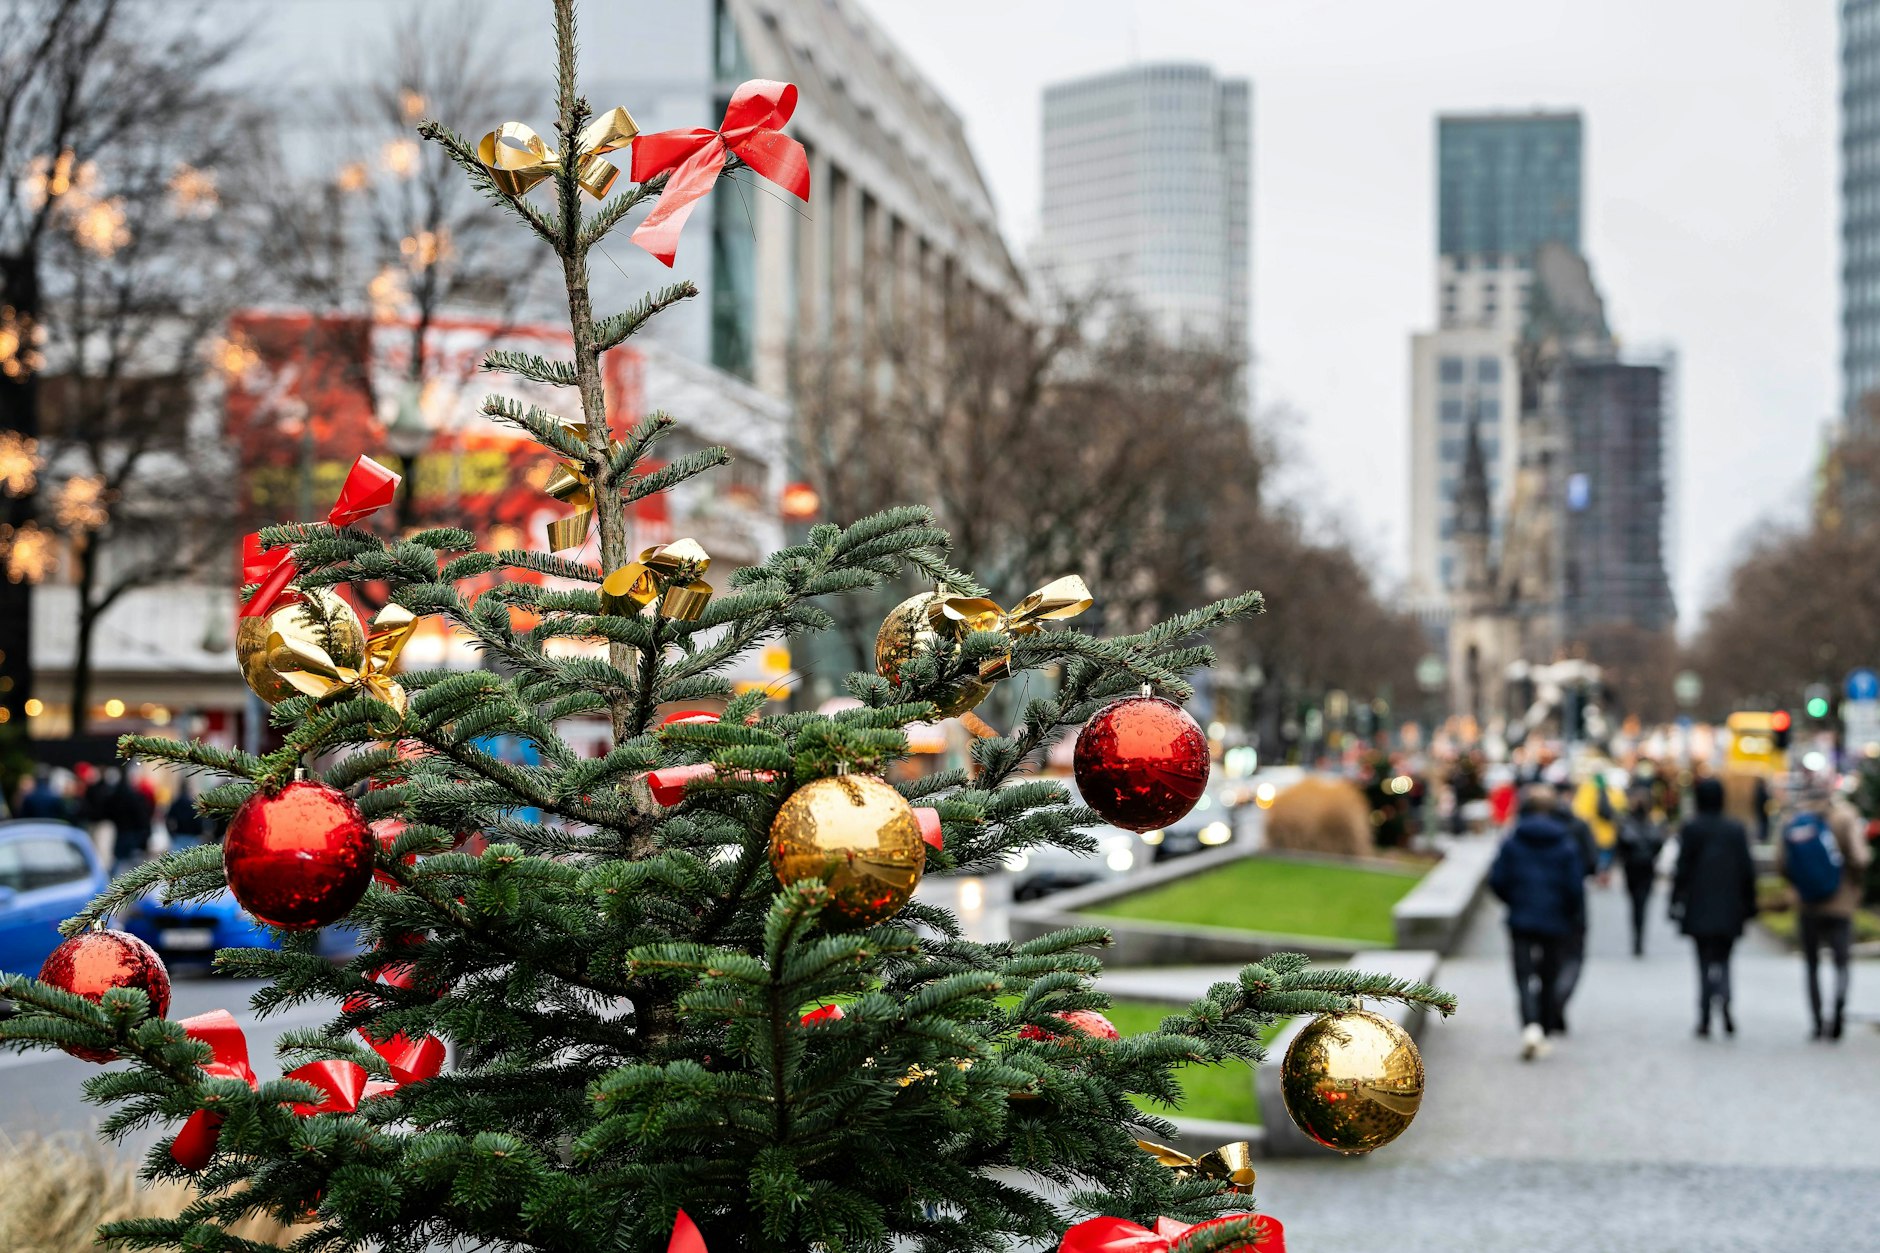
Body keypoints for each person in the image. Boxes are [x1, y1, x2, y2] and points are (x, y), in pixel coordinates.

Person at [1489, 783, 1587, 1060]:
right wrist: (1570, 913)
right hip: (1555, 920)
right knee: (1549, 974)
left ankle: (1530, 1024)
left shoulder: (1512, 841)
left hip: (1521, 918)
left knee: (1523, 975)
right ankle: (1543, 1026)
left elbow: (1497, 880)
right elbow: (1574, 887)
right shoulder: (1565, 844)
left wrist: (1513, 900)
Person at [1774, 777, 1872, 1041]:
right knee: (1841, 962)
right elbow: (1860, 857)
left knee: (1812, 964)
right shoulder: (1845, 816)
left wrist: (1799, 884)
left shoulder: (1793, 820)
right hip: (1841, 902)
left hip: (1807, 903)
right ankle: (1838, 1008)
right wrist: (1852, 882)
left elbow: (1781, 862)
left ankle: (1817, 1021)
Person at [1672, 777, 1757, 1037]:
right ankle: (1725, 1001)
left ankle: (1705, 1014)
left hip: (1699, 906)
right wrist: (1750, 905)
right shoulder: (1735, 829)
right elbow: (1747, 870)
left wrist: (1675, 901)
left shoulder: (1692, 828)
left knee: (1703, 962)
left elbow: (1682, 869)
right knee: (1725, 959)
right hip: (1730, 907)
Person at [1617, 785, 1663, 957]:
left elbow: (1621, 846)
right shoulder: (1650, 824)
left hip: (1636, 868)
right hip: (1642, 868)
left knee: (1637, 905)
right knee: (1640, 905)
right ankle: (1638, 939)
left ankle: (1638, 939)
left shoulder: (1630, 823)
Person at [107, 766, 154, 878]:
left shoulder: (118, 795)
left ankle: (113, 882)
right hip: (132, 835)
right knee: (133, 865)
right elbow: (142, 818)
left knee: (121, 862)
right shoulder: (135, 797)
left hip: (124, 833)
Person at [166, 781, 205, 849]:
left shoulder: (177, 803)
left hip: (179, 835)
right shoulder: (193, 803)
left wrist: (172, 833)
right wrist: (200, 831)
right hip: (192, 837)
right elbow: (199, 819)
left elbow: (168, 819)